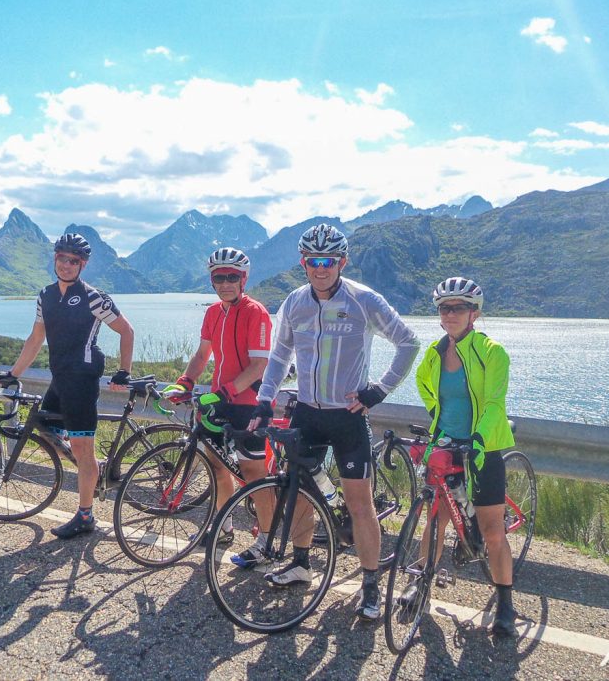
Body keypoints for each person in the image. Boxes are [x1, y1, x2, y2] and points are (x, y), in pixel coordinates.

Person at [249, 223, 420, 621]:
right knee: (301, 490)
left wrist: (379, 389)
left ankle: (371, 585)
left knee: (360, 505)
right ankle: (301, 564)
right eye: (312, 261)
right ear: (303, 264)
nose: (320, 268)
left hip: (348, 416)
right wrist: (263, 401)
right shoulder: (294, 302)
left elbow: (408, 342)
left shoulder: (365, 300)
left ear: (342, 262)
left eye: (328, 261)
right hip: (307, 413)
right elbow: (278, 356)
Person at [0, 233, 135, 539]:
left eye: (74, 261)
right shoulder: (45, 295)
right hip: (60, 378)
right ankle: (92, 467)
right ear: (55, 258)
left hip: (82, 379)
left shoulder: (94, 297)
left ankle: (86, 514)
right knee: (45, 425)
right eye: (62, 258)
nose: (67, 265)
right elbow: (35, 339)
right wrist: (14, 373)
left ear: (82, 265)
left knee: (83, 447)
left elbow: (126, 330)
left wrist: (124, 371)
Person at [409, 277, 519, 637]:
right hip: (445, 444)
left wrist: (476, 439)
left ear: (474, 313)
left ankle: (505, 602)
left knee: (491, 530)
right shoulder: (435, 352)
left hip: (481, 448)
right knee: (435, 518)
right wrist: (437, 421)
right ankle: (419, 583)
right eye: (444, 308)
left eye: (458, 307)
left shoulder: (492, 352)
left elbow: (493, 404)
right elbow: (424, 385)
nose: (450, 313)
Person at [161, 247, 275, 566]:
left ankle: (265, 543)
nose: (225, 283)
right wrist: (185, 380)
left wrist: (226, 391)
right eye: (219, 277)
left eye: (232, 277)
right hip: (219, 401)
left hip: (248, 404)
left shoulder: (257, 313)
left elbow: (258, 366)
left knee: (254, 475)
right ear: (212, 280)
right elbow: (202, 356)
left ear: (244, 278)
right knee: (216, 466)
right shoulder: (213, 313)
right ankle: (222, 526)